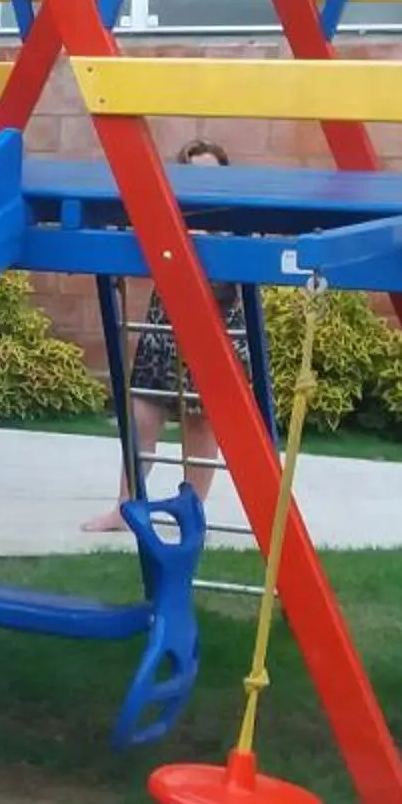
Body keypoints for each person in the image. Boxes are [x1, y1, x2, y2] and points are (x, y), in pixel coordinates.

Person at [83, 139, 253, 533]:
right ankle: (125, 508)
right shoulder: (170, 212)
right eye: (194, 172)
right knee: (141, 414)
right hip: (165, 328)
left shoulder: (238, 218)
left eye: (212, 171)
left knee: (202, 422)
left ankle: (192, 513)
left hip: (218, 327)